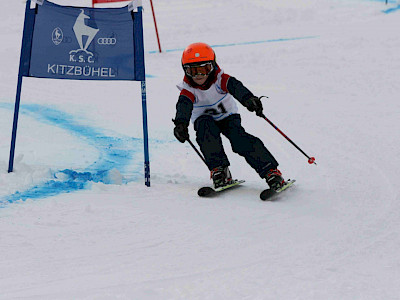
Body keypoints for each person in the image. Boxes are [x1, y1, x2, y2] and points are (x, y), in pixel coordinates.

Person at [173, 42, 285, 190]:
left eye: (204, 69)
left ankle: (271, 172)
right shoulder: (188, 89)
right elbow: (184, 105)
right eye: (193, 71)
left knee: (240, 140)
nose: (199, 75)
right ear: (185, 71)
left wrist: (249, 99)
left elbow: (236, 87)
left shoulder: (221, 79)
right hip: (204, 120)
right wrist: (181, 124)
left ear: (212, 66)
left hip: (228, 117)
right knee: (206, 133)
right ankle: (220, 171)